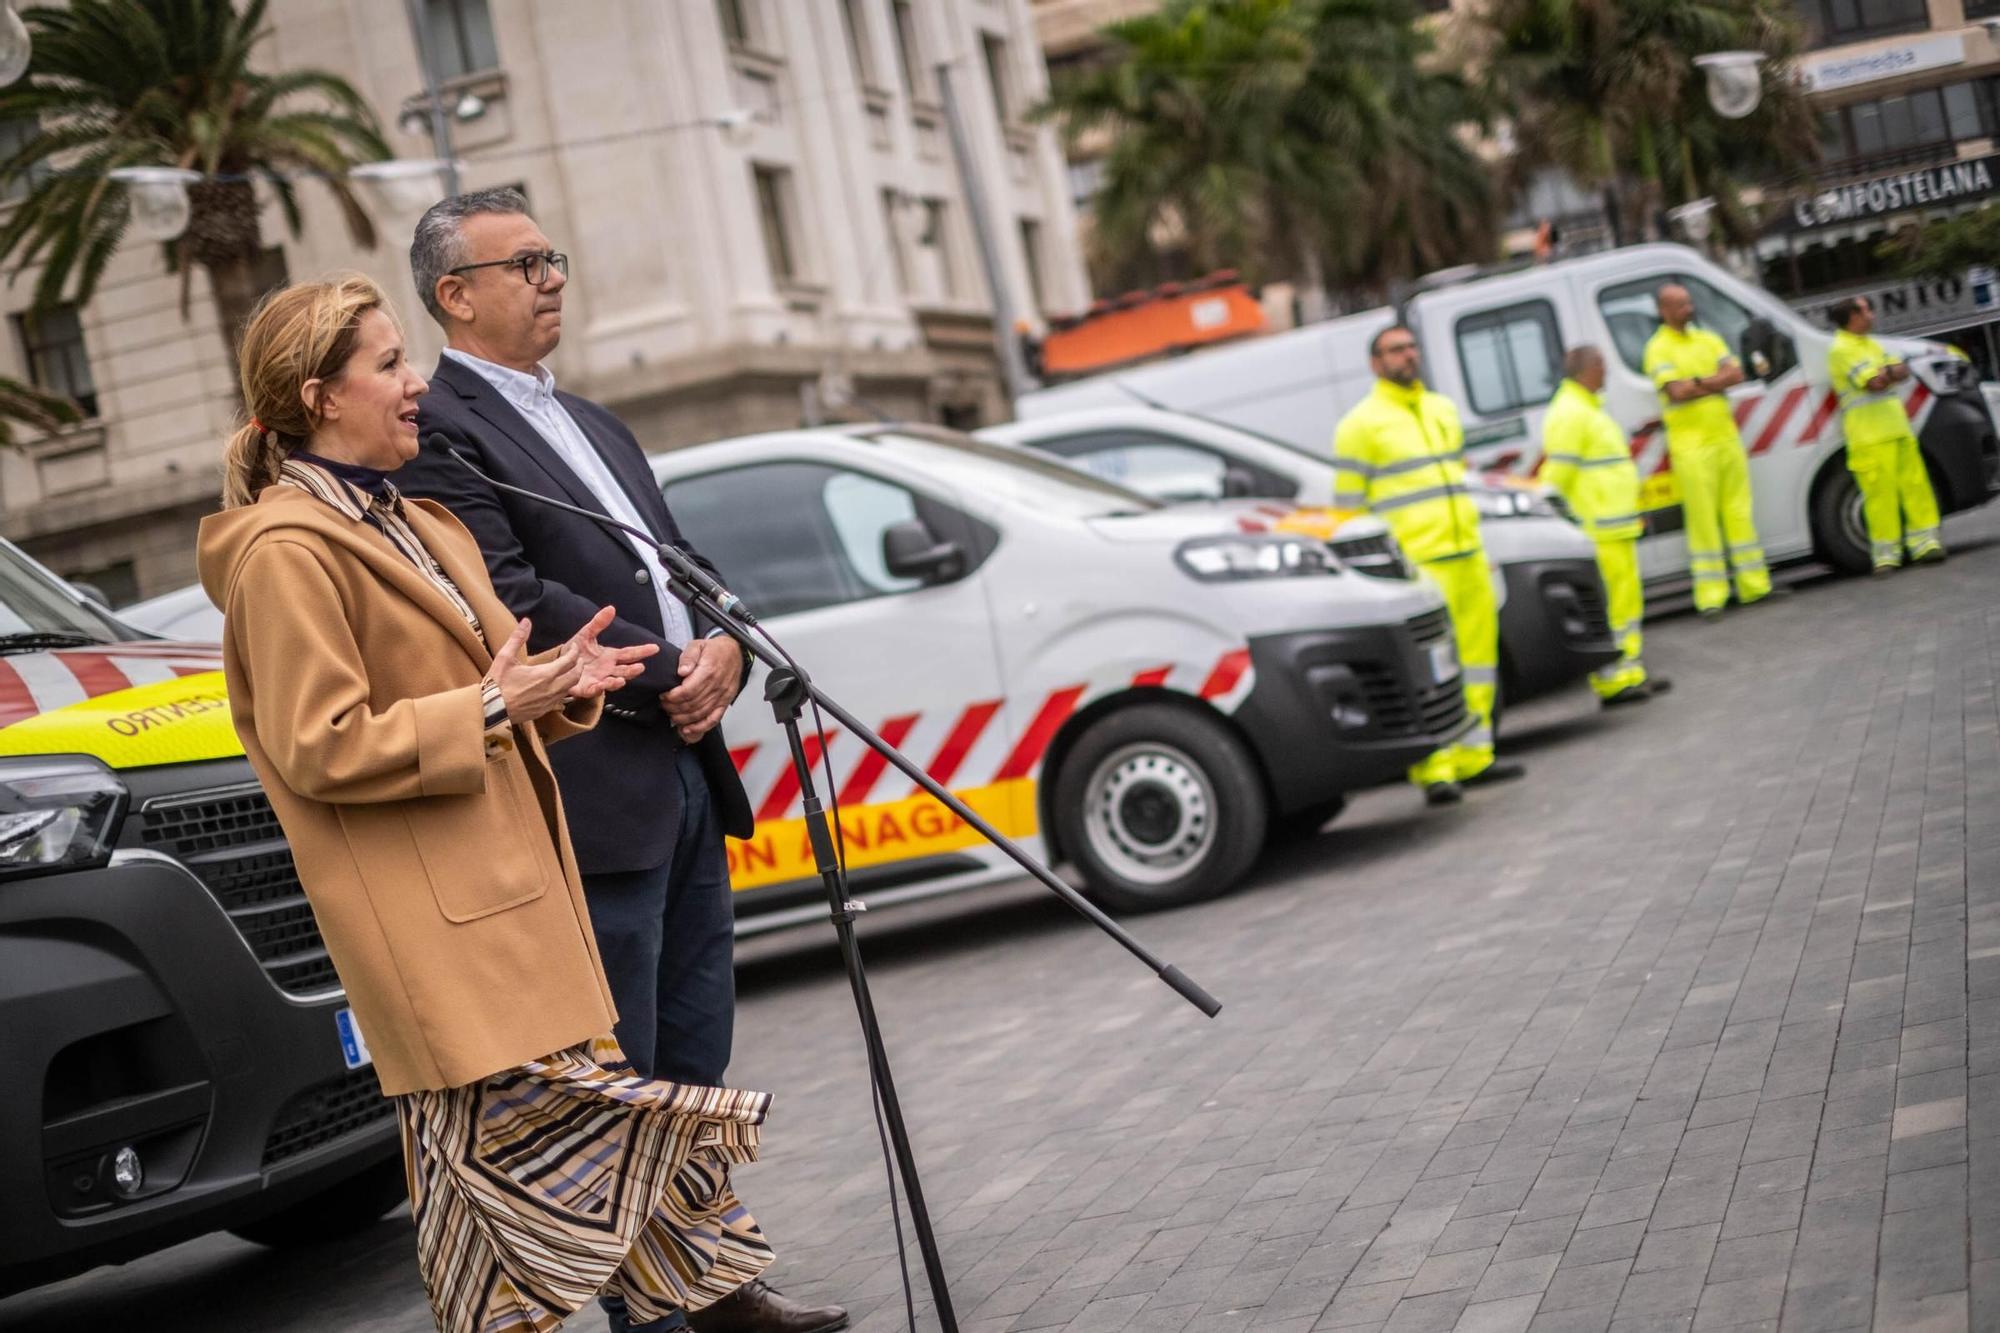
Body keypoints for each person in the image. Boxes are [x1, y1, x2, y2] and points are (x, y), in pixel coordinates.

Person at [195, 275, 775, 1333]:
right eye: (387, 364)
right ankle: (704, 1298)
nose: (415, 384)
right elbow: (320, 745)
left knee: (507, 1174)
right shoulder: (286, 553)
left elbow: (487, 692)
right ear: (321, 396)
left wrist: (556, 698)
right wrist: (499, 699)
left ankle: (703, 1297)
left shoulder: (415, 519)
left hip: (515, 900)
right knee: (547, 1144)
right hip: (440, 928)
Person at [392, 190, 845, 1333]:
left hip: (687, 773)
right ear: (457, 294)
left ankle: (719, 1287)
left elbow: (678, 561)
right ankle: (645, 1312)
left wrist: (726, 657)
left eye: (554, 256)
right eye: (525, 262)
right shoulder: (436, 430)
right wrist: (663, 673)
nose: (553, 276)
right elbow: (512, 597)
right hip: (595, 789)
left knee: (696, 1047)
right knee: (627, 1064)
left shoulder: (590, 420)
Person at [1333, 325, 1526, 806]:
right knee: (1430, 670)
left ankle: (1476, 756)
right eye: (1395, 350)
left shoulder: (1442, 409)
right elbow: (1349, 510)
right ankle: (1435, 769)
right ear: (1375, 364)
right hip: (1421, 565)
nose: (1408, 356)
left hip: (1467, 554)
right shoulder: (1360, 426)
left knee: (1478, 661)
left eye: (1412, 347)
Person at [1539, 346, 1673, 706]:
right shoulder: (1570, 413)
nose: (1608, 373)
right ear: (1589, 369)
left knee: (1625, 605)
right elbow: (1558, 477)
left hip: (1615, 525)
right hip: (1599, 528)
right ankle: (1613, 681)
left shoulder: (1585, 408)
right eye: (1603, 366)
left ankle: (1630, 671)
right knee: (1612, 606)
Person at [1641, 284, 1780, 620]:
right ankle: (1711, 597)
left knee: (1739, 513)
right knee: (1703, 521)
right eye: (1680, 305)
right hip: (1690, 446)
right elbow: (1676, 392)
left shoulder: (1708, 337)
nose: (1688, 309)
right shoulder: (1657, 348)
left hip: (1725, 438)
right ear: (1663, 311)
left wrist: (1699, 383)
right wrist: (1713, 381)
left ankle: (1754, 586)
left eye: (1689, 303)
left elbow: (1735, 373)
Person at [1826, 294, 1945, 573]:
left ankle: (1925, 544)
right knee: (1880, 497)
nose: (1872, 315)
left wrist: (1888, 372)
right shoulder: (1841, 349)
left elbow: (1901, 372)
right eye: (1867, 310)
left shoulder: (1872, 344)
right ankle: (1886, 556)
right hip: (1869, 436)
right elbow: (1875, 383)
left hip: (1896, 428)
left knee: (1916, 487)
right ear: (1853, 317)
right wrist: (1888, 372)